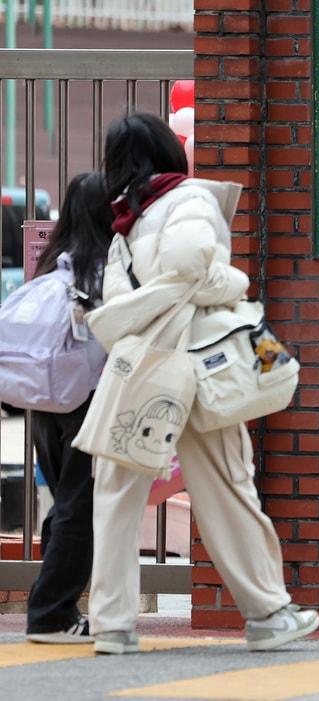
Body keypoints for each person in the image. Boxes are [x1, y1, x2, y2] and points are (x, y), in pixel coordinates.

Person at [87, 113, 319, 655]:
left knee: (117, 492)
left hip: (142, 366)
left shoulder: (125, 222)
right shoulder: (189, 198)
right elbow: (193, 266)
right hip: (198, 365)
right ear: (169, 151)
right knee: (226, 486)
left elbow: (121, 299)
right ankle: (267, 611)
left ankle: (112, 623)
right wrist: (233, 280)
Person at [23, 173, 112, 644]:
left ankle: (54, 606)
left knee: (66, 503)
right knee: (81, 506)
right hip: (88, 400)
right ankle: (52, 612)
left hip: (46, 399)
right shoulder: (104, 266)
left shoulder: (52, 264)